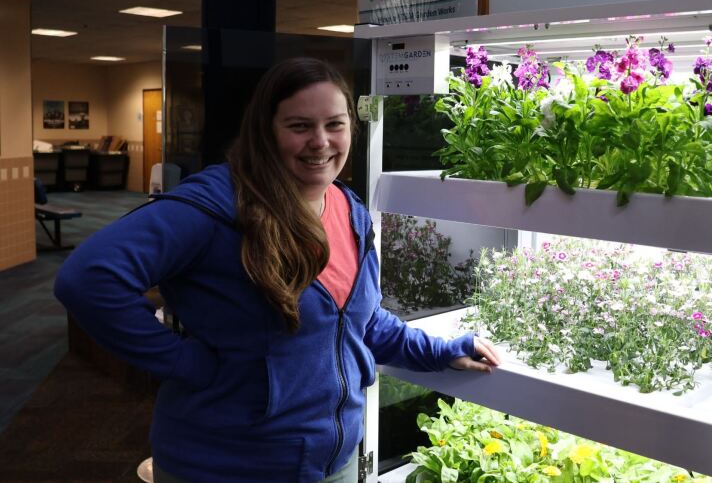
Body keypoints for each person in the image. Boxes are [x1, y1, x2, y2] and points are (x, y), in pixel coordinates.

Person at [54, 58, 500, 483]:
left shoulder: (349, 209)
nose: (321, 142)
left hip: (333, 462)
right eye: (300, 126)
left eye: (335, 124)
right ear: (266, 131)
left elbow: (358, 321)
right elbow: (87, 280)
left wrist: (439, 351)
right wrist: (189, 365)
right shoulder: (216, 207)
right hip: (226, 467)